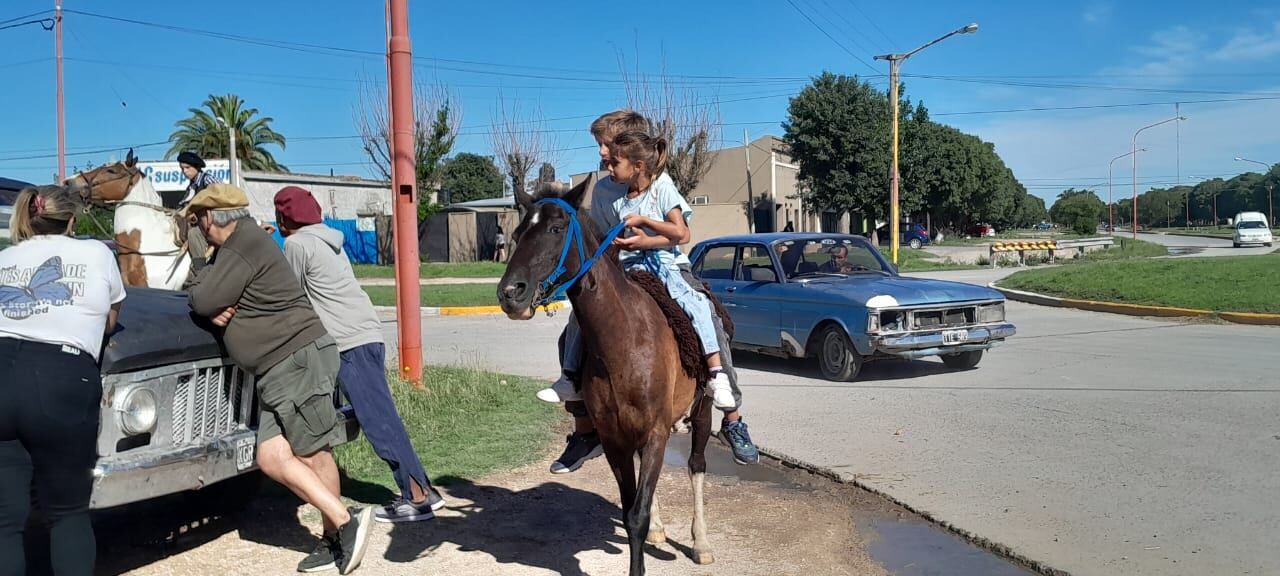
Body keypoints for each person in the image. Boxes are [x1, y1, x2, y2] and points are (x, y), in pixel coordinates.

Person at [537, 110, 759, 470]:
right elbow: (601, 236)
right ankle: (583, 429)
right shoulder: (606, 188)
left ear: (628, 149)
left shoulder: (659, 184)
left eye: (604, 145)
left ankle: (732, 417)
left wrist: (644, 239)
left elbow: (678, 232)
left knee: (709, 317)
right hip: (621, 267)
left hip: (666, 265)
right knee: (575, 327)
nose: (601, 154)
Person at [183, 183, 372, 575]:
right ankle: (338, 528)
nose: (197, 228)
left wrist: (202, 272)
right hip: (277, 369)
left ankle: (341, 527)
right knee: (271, 457)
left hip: (294, 361)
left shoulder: (241, 244)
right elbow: (209, 301)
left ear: (212, 217)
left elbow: (202, 299)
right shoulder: (238, 247)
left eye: (197, 219)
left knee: (314, 452)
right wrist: (210, 293)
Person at [269, 185, 445, 528]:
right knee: (382, 416)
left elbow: (289, 296)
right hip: (367, 334)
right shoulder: (329, 239)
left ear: (283, 217)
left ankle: (417, 498)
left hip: (347, 343)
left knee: (379, 421)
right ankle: (423, 490)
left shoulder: (296, 244)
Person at [0, 185, 125, 576]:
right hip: (62, 378)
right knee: (67, 513)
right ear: (72, 220)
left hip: (3, 371)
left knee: (4, 521)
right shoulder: (97, 254)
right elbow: (109, 319)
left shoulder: (6, 258)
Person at [177, 151, 220, 276]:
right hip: (201, 222)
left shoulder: (208, 179)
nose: (184, 172)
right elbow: (184, 205)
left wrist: (199, 213)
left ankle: (201, 270)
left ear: (196, 167)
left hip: (214, 222)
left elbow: (221, 198)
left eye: (187, 168)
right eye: (182, 169)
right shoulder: (191, 187)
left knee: (193, 234)